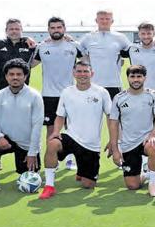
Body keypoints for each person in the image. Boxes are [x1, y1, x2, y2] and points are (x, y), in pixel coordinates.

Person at [39, 62, 112, 199]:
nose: (82, 74)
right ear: (74, 73)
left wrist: (113, 140)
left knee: (88, 185)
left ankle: (82, 170)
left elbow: (110, 116)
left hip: (90, 145)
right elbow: (60, 116)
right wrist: (56, 132)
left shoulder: (102, 92)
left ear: (92, 73)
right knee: (52, 143)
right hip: (71, 137)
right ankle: (49, 186)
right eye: (79, 71)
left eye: (85, 71)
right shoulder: (67, 92)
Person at [0, 59, 43, 195]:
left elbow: (37, 127)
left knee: (28, 179)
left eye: (19, 74)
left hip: (26, 144)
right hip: (4, 140)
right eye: (11, 74)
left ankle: (28, 164)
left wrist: (32, 153)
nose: (15, 77)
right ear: (6, 76)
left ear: (25, 76)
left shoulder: (35, 96)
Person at [107, 65, 155, 197]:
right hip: (128, 144)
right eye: (132, 76)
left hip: (147, 140)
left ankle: (152, 184)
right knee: (132, 185)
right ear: (127, 78)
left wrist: (152, 135)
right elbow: (113, 124)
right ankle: (147, 175)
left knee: (153, 145)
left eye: (139, 76)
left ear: (145, 78)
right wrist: (115, 150)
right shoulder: (119, 98)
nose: (136, 80)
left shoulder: (154, 95)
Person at [32, 17, 81, 169]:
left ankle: (70, 160)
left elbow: (89, 58)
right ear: (48, 30)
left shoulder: (74, 46)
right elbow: (30, 64)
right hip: (48, 95)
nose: (56, 30)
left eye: (59, 27)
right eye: (53, 28)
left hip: (70, 94)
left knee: (71, 128)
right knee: (51, 129)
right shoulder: (42, 47)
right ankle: (53, 159)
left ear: (64, 29)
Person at [77, 10, 132, 98]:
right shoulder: (88, 37)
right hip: (93, 84)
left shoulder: (120, 37)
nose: (104, 21)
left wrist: (153, 43)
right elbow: (76, 49)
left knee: (114, 107)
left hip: (114, 84)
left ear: (112, 21)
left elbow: (134, 51)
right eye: (101, 19)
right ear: (96, 20)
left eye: (107, 19)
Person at [125, 21, 155, 112]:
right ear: (139, 34)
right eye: (143, 34)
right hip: (136, 94)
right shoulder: (131, 49)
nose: (146, 36)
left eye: (149, 33)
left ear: (154, 34)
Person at [0, 18, 37, 91]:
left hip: (24, 92)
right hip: (1, 91)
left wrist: (26, 38)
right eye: (11, 29)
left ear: (21, 30)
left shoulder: (30, 45)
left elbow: (47, 45)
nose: (14, 31)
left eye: (17, 29)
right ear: (6, 31)